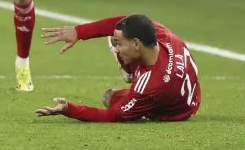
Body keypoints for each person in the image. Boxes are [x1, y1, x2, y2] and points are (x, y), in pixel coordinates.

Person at [37, 14, 201, 122]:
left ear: (136, 43)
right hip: (188, 95)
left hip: (171, 111)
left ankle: (132, 78)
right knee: (117, 36)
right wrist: (79, 32)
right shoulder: (160, 33)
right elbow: (119, 23)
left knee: (109, 97)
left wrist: (68, 109)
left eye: (119, 44)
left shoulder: (150, 86)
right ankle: (130, 69)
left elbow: (111, 115)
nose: (116, 48)